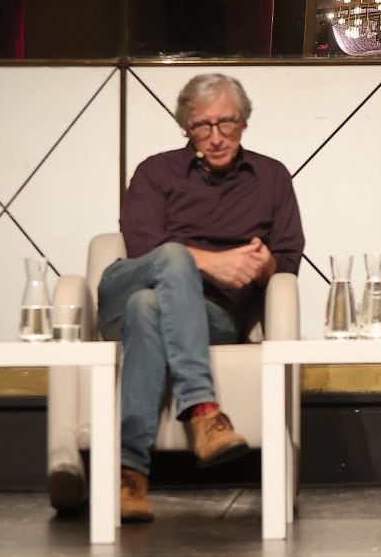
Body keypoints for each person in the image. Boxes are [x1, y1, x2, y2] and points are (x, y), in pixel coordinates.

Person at [85, 73, 304, 524]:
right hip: (126, 288)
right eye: (203, 126)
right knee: (167, 262)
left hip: (212, 315)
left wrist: (260, 264)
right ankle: (204, 411)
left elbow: (286, 260)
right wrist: (214, 263)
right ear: (186, 126)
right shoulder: (155, 171)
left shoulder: (272, 177)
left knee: (148, 308)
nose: (217, 137)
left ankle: (131, 474)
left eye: (227, 123)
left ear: (244, 122)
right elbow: (145, 248)